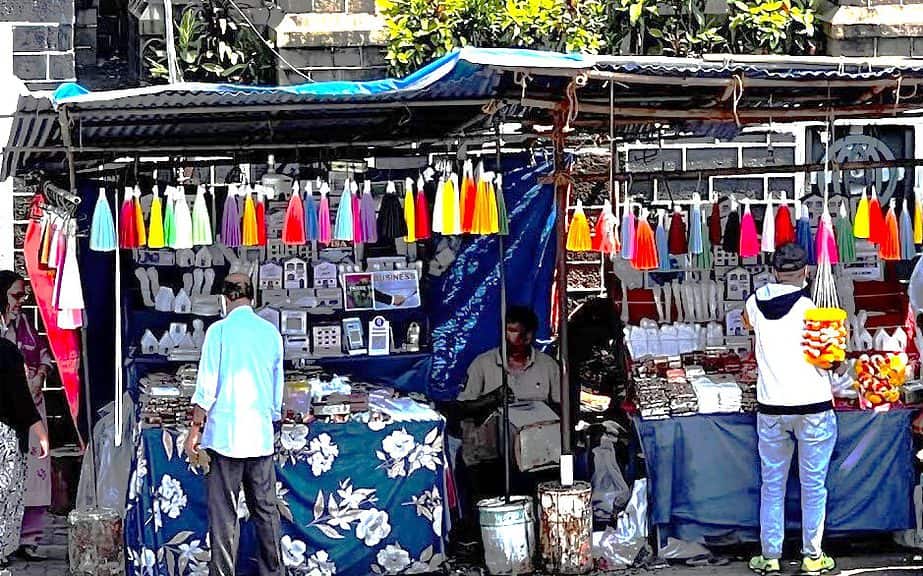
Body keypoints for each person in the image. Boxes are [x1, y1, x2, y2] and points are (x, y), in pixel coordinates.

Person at [743, 243, 837, 575]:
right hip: (813, 406)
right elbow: (831, 360)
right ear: (807, 273)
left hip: (771, 408)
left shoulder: (753, 303)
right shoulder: (812, 309)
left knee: (773, 484)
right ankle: (813, 556)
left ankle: (770, 556)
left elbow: (751, 324)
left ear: (772, 271)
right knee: (813, 485)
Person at [183, 273, 284, 576]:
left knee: (224, 517)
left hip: (226, 437)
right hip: (259, 436)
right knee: (266, 512)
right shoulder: (271, 333)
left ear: (224, 299)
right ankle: (273, 571)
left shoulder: (219, 332)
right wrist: (269, 418)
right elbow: (276, 393)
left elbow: (206, 387)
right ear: (252, 296)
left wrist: (194, 430)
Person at [450, 306, 560, 540]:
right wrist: (491, 398)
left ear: (531, 334)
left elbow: (560, 408)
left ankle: (537, 537)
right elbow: (459, 409)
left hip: (536, 452)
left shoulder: (548, 366)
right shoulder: (483, 364)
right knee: (490, 495)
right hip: (491, 452)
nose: (517, 338)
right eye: (511, 331)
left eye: (523, 332)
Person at [0, 271, 54, 561]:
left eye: (24, 296)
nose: (21, 301)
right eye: (16, 295)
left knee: (34, 474)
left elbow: (44, 355)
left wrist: (40, 376)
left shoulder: (24, 325)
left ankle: (28, 538)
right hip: (9, 414)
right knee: (6, 479)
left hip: (31, 405)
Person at [0, 337, 48, 568]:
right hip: (6, 433)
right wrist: (39, 429)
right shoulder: (7, 351)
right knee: (6, 493)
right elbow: (20, 398)